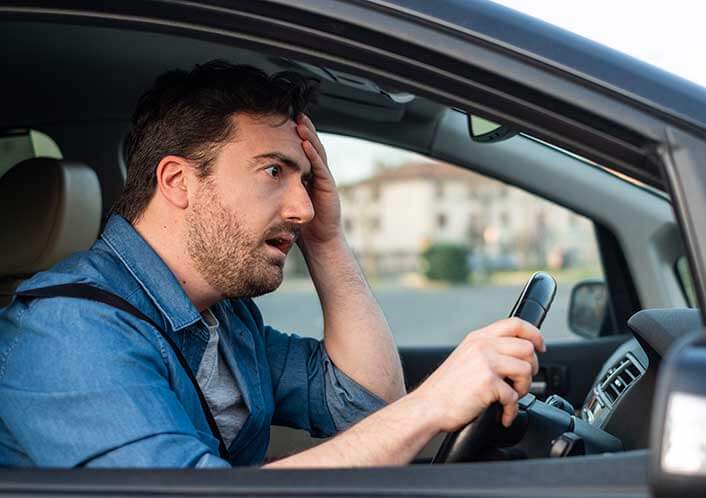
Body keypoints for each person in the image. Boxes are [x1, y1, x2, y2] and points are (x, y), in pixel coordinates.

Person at [0, 61, 544, 468]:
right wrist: (430, 405)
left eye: (305, 179)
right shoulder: (68, 330)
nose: (303, 208)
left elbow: (366, 404)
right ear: (178, 182)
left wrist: (327, 241)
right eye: (273, 172)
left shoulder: (224, 315)